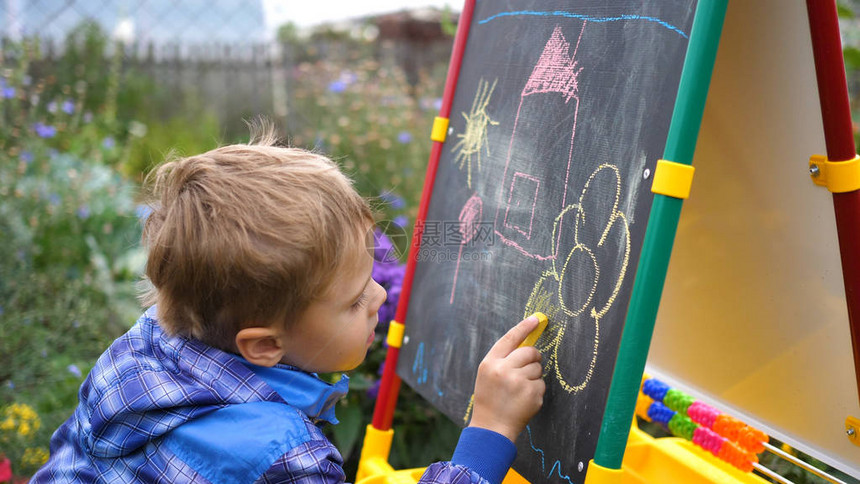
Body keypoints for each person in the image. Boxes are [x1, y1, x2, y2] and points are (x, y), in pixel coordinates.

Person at [32, 124, 545, 484]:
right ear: (264, 345)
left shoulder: (137, 352)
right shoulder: (283, 456)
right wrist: (490, 433)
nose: (380, 295)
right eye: (352, 301)